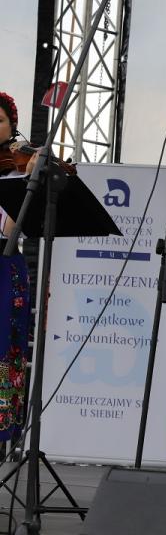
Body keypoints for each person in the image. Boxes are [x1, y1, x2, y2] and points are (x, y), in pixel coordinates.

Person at [0, 92, 34, 447]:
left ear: (12, 126)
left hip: (5, 265)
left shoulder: (17, 167)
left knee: (3, 348)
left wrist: (27, 178)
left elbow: (10, 231)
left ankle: (1, 437)